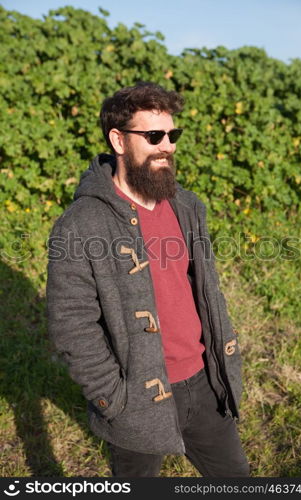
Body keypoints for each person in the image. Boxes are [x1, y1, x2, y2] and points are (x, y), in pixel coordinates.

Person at [46, 82, 249, 477]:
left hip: (204, 381)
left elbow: (206, 289)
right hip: (135, 397)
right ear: (118, 140)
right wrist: (113, 397)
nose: (167, 146)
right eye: (154, 136)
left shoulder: (187, 206)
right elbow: (71, 324)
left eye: (173, 135)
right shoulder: (81, 224)